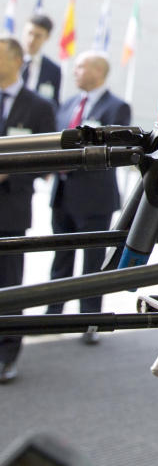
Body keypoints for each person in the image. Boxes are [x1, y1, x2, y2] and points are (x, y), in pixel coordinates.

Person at [45, 50, 131, 344]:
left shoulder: (117, 107)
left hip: (94, 198)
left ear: (98, 71)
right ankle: (52, 315)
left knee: (92, 263)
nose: (75, 72)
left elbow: (115, 150)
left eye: (81, 67)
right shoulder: (68, 104)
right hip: (62, 194)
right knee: (60, 256)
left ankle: (89, 320)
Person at [0, 36, 56, 383]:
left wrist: (10, 173)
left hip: (10, 209)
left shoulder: (39, 106)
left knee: (9, 286)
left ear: (18, 59)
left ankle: (6, 354)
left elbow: (50, 158)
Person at [20, 14, 61, 105]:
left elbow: (54, 102)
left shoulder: (53, 70)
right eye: (29, 33)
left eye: (38, 36)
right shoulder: (7, 61)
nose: (32, 39)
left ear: (47, 37)